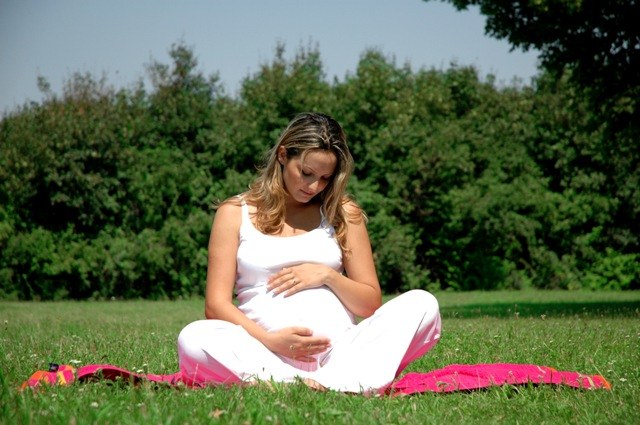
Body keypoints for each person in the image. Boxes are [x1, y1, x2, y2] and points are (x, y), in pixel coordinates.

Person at [177, 112, 441, 394]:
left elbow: (369, 304)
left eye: (325, 178)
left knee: (423, 303)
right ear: (282, 156)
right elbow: (216, 306)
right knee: (193, 337)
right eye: (306, 173)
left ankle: (324, 382)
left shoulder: (343, 213)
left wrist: (327, 275)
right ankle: (311, 383)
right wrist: (270, 341)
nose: (314, 186)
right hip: (265, 352)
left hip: (340, 353)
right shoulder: (234, 213)